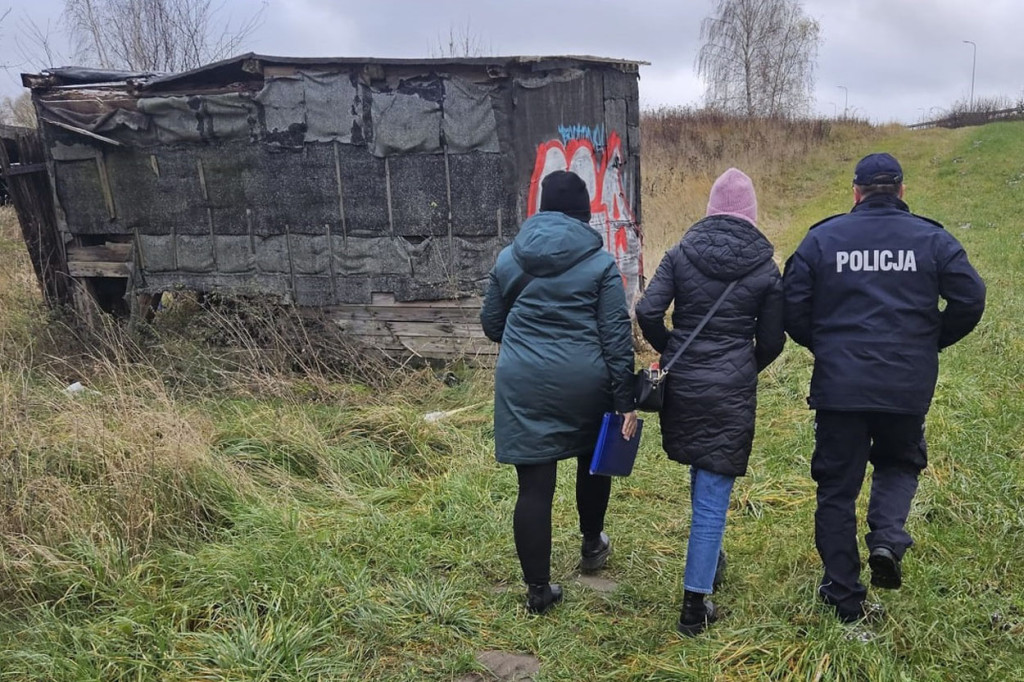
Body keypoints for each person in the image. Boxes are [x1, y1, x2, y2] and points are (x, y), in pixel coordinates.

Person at [783, 152, 986, 623]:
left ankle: (843, 595)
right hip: (905, 383)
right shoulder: (933, 240)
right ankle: (888, 540)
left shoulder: (822, 239)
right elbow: (970, 298)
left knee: (836, 488)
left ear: (855, 193)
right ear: (901, 191)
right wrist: (928, 340)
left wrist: (828, 346)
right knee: (899, 461)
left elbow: (791, 307)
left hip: (840, 387)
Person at [635, 168, 785, 636]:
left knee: (704, 476)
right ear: (751, 215)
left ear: (711, 209)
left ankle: (710, 558)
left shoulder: (680, 254)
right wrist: (743, 365)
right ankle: (694, 608)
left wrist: (671, 349)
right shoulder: (765, 267)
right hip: (731, 388)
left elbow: (646, 310)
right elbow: (773, 340)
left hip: (684, 385)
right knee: (712, 499)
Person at [480, 170, 638, 615]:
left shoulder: (509, 259)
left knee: (533, 488)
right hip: (586, 385)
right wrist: (624, 401)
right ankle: (592, 545)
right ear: (584, 213)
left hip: (523, 384)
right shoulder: (601, 263)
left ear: (541, 209)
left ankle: (538, 592)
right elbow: (615, 339)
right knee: (593, 464)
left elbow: (493, 326)